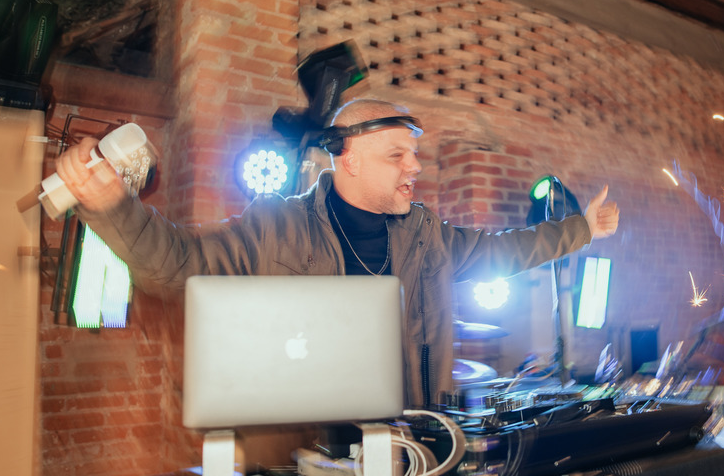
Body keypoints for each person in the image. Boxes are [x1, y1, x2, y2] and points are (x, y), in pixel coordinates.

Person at [55, 99, 620, 408]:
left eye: (414, 155)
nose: (415, 167)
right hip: (313, 464)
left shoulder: (426, 234)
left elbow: (507, 250)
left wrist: (582, 230)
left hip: (417, 450)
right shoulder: (275, 226)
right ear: (348, 159)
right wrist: (112, 207)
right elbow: (178, 265)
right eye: (397, 155)